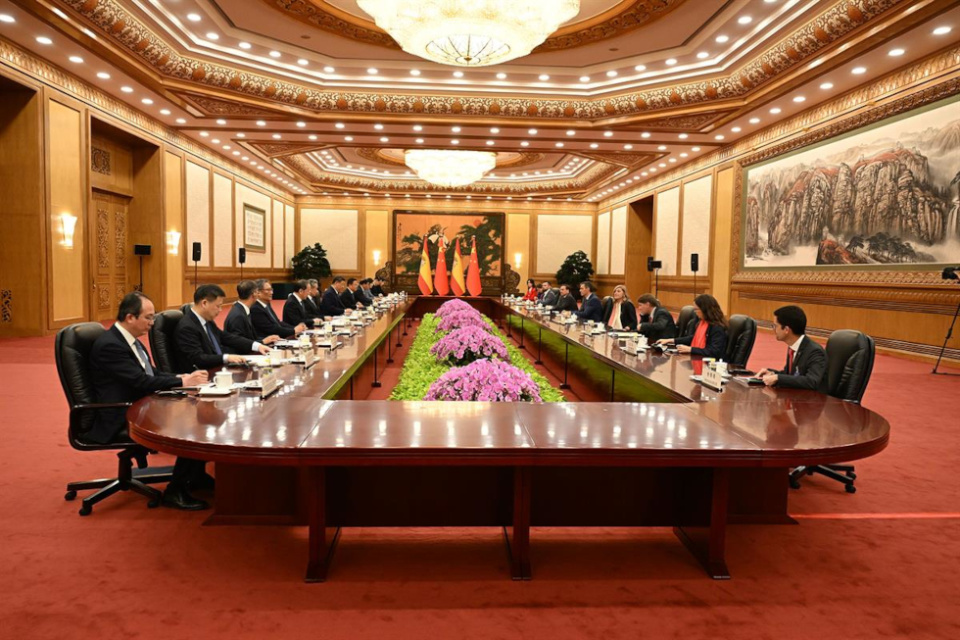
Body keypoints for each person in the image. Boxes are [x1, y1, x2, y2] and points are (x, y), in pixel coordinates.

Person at [89, 292, 211, 510]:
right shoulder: (111, 345)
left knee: (200, 410)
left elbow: (151, 374)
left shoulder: (130, 340)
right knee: (191, 424)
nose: (152, 323)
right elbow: (140, 381)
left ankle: (195, 476)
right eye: (148, 318)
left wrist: (182, 379)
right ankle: (176, 491)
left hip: (139, 402)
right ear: (130, 318)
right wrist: (181, 383)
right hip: (119, 414)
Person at [175, 284, 265, 373]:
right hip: (201, 376)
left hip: (217, 369)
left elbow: (226, 337)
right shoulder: (187, 327)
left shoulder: (207, 320)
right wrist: (227, 358)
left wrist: (257, 345)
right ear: (204, 303)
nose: (220, 310)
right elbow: (198, 358)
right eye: (218, 306)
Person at [757, 305, 827, 389]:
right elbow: (790, 375)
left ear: (786, 329)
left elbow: (812, 381)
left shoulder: (815, 351)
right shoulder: (793, 347)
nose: (773, 329)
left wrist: (778, 378)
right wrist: (772, 373)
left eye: (775, 326)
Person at [657, 293, 727, 359]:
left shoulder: (717, 327)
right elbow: (694, 338)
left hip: (710, 365)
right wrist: (671, 340)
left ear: (705, 310)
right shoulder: (702, 323)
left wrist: (690, 349)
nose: (695, 312)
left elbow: (714, 351)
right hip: (698, 358)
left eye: (696, 309)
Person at [224, 280, 280, 353]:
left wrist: (264, 340)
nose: (258, 294)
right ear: (253, 294)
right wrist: (262, 342)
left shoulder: (242, 310)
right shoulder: (238, 315)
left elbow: (248, 338)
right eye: (257, 292)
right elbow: (238, 343)